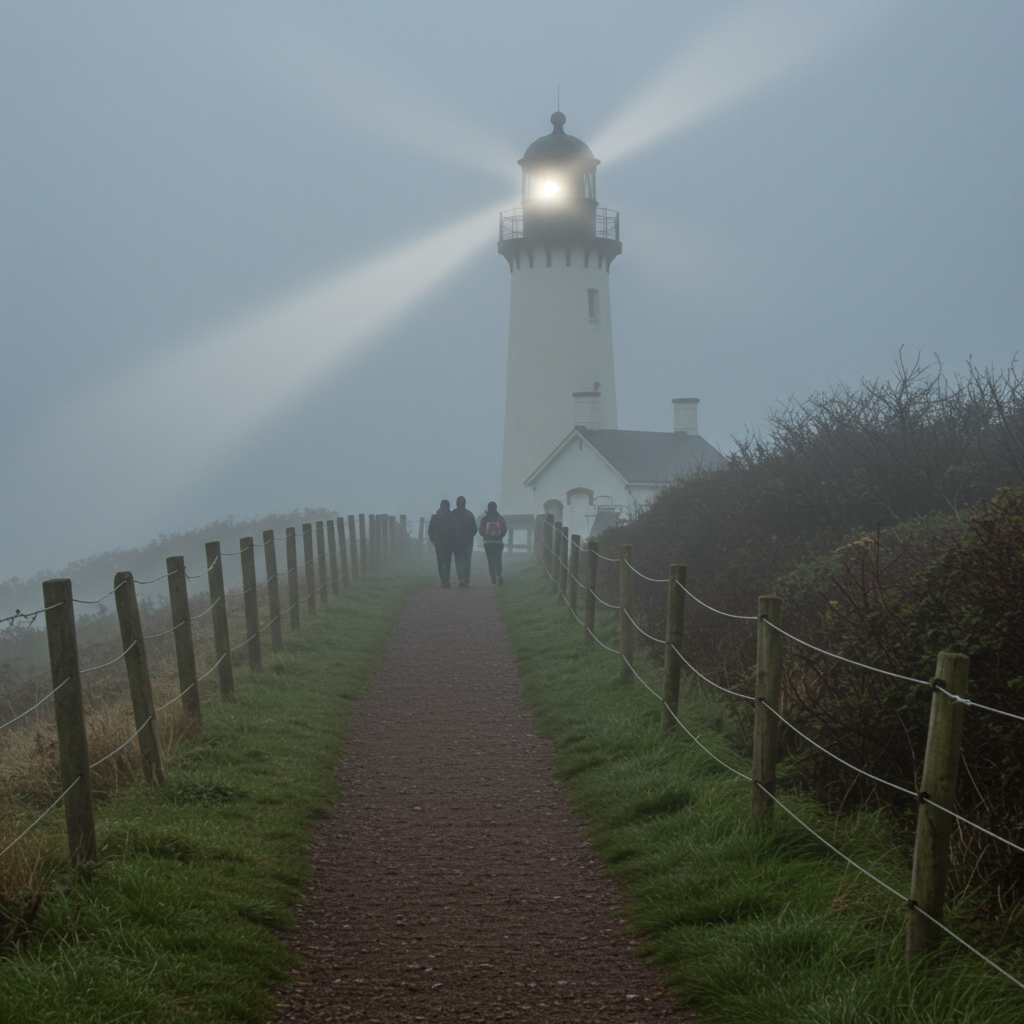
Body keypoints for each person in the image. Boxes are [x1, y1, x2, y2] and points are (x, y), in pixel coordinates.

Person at [427, 499, 456, 588]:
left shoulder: (435, 517)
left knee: (440, 562)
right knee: (447, 562)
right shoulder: (452, 517)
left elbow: (430, 531)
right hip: (449, 543)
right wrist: (453, 541)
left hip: (439, 543)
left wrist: (434, 541)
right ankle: (446, 580)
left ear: (440, 506)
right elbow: (455, 531)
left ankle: (443, 580)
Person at [478, 501, 508, 585]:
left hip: (488, 543)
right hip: (498, 543)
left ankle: (493, 581)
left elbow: (480, 530)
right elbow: (505, 529)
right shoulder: (500, 518)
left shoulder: (485, 519)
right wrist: (500, 536)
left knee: (491, 561)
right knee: (498, 560)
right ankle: (499, 575)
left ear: (488, 508)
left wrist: (486, 535)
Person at [451, 495, 478, 587]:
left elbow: (449, 528)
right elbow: (474, 529)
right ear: (465, 503)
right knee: (467, 560)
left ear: (456, 503)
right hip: (468, 541)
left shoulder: (453, 514)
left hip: (456, 541)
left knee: (458, 559)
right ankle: (466, 578)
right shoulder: (469, 514)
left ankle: (461, 579)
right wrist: (469, 536)